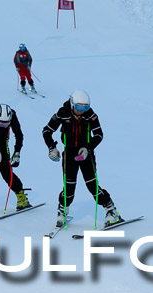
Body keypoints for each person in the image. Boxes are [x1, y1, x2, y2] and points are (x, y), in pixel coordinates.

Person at [42, 90, 122, 228]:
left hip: (86, 154)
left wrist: (88, 148)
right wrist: (52, 148)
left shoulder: (91, 115)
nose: (82, 111)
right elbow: (47, 131)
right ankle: (62, 210)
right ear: (72, 104)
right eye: (79, 107)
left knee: (92, 185)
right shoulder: (62, 114)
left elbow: (99, 135)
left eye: (85, 107)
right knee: (69, 187)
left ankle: (111, 210)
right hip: (69, 154)